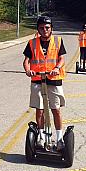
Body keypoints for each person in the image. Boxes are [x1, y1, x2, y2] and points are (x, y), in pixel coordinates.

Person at [23, 16, 66, 150]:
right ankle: (41, 137)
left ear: (51, 29)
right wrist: (28, 70)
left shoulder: (58, 41)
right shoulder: (32, 43)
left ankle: (59, 139)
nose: (44, 30)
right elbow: (26, 61)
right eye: (41, 28)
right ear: (38, 29)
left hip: (54, 79)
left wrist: (57, 68)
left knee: (56, 110)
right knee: (40, 110)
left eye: (47, 27)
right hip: (37, 79)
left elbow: (62, 59)